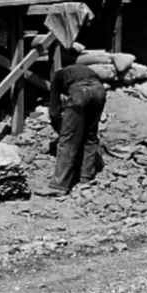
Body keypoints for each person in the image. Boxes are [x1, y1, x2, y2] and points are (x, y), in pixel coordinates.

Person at [37, 51, 106, 196]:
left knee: (67, 141)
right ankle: (86, 178)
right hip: (100, 91)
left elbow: (54, 111)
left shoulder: (57, 77)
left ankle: (59, 186)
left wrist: (61, 129)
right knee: (90, 135)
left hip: (80, 92)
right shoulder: (84, 70)